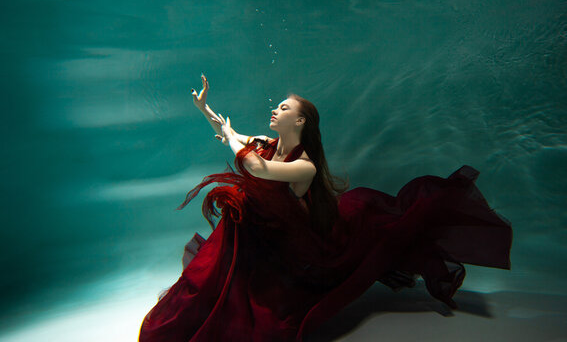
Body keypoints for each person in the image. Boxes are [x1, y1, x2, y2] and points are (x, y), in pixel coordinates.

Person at [138, 74, 513, 342]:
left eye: (283, 107)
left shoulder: (305, 166)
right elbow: (230, 134)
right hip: (269, 239)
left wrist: (237, 143)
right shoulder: (267, 142)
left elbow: (255, 166)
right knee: (240, 216)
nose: (275, 109)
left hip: (307, 250)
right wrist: (206, 110)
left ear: (299, 121)